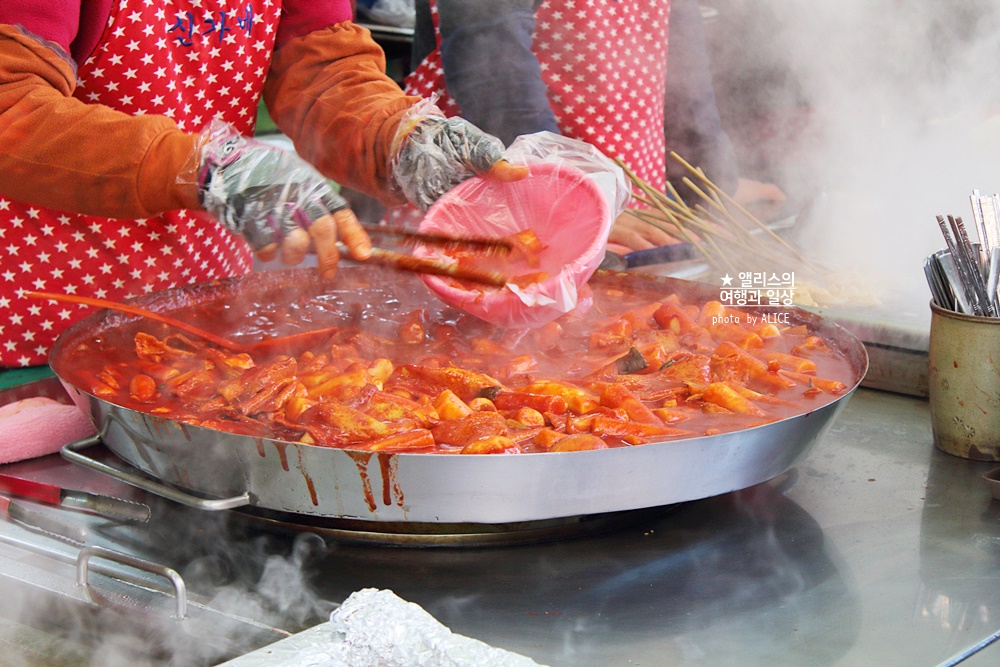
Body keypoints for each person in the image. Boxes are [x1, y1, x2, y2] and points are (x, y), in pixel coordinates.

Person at [0, 2, 524, 368]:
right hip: (31, 323)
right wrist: (195, 167)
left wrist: (401, 138)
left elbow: (325, 73)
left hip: (201, 303)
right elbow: (9, 105)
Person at [406, 0, 785, 254]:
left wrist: (710, 184)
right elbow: (490, 55)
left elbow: (681, 51)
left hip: (632, 207)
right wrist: (568, 204)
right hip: (517, 205)